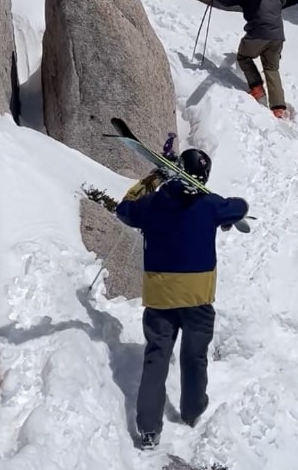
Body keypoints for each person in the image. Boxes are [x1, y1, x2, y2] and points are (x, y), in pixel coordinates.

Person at [115, 147, 248, 451]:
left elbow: (124, 209)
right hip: (197, 297)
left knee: (157, 356)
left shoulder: (153, 203)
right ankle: (192, 409)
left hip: (160, 296)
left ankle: (149, 428)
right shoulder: (211, 204)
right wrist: (222, 219)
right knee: (194, 355)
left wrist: (151, 179)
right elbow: (240, 206)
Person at [211, 0, 288, 118]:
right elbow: (282, 0)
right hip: (277, 36)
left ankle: (257, 88)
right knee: (272, 69)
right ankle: (278, 108)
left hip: (259, 33)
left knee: (243, 57)